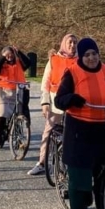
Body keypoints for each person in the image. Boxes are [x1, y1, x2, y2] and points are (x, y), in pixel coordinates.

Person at [54, 37, 105, 209]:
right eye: (87, 54)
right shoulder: (72, 73)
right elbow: (59, 100)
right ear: (81, 56)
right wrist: (72, 99)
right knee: (80, 175)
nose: (92, 58)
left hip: (104, 127)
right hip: (80, 129)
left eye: (94, 54)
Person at [28, 33, 78, 176]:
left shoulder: (80, 61)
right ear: (64, 43)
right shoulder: (54, 60)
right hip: (55, 102)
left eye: (75, 42)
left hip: (73, 103)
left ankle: (70, 164)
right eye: (70, 42)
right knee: (49, 133)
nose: (72, 45)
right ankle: (42, 162)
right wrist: (44, 102)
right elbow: (46, 82)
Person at [0, 45, 31, 148]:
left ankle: (17, 138)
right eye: (7, 54)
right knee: (2, 114)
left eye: (11, 54)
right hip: (4, 92)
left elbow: (28, 64)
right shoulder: (1, 63)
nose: (10, 56)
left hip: (18, 91)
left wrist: (19, 52)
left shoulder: (19, 63)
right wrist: (3, 57)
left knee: (18, 115)